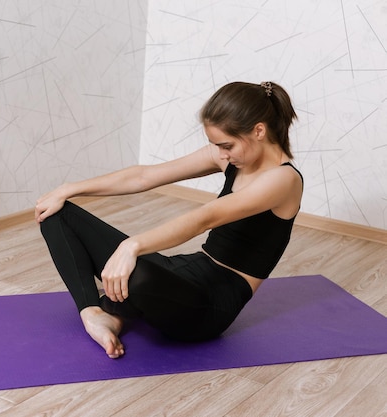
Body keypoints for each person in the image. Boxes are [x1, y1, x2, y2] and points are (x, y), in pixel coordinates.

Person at [35, 81, 303, 359]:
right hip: (186, 270)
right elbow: (144, 176)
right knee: (55, 212)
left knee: (137, 277)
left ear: (259, 130)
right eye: (216, 146)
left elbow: (205, 218)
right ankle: (93, 311)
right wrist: (67, 189)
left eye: (227, 145)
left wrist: (131, 246)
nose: (221, 154)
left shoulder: (284, 180)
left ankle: (118, 310)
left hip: (211, 306)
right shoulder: (232, 158)